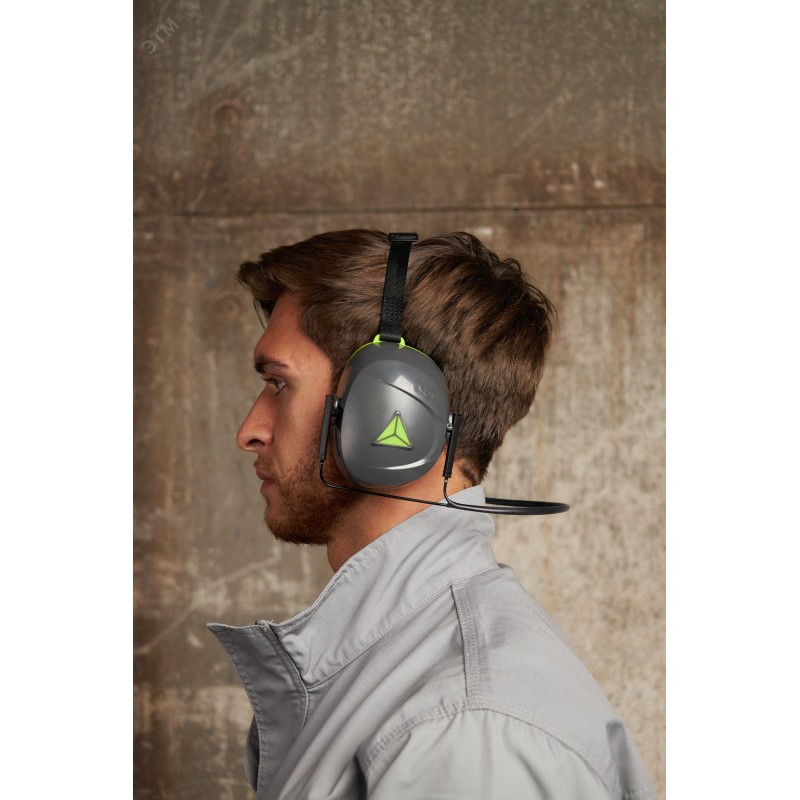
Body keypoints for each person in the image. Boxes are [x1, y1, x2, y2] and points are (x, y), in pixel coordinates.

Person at [208, 230, 655, 799]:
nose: (249, 430)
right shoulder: (410, 678)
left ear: (387, 410)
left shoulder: (463, 727)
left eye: (278, 383)